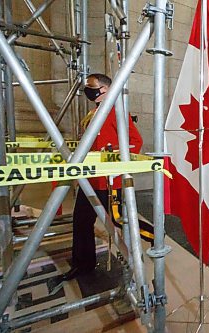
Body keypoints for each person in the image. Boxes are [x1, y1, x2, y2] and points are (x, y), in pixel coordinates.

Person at [62, 73, 143, 281]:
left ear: (105, 90)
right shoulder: (93, 114)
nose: (88, 90)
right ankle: (83, 264)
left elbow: (135, 142)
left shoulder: (116, 112)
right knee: (81, 222)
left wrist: (111, 152)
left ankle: (137, 261)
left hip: (109, 182)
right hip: (90, 180)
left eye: (92, 86)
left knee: (121, 223)